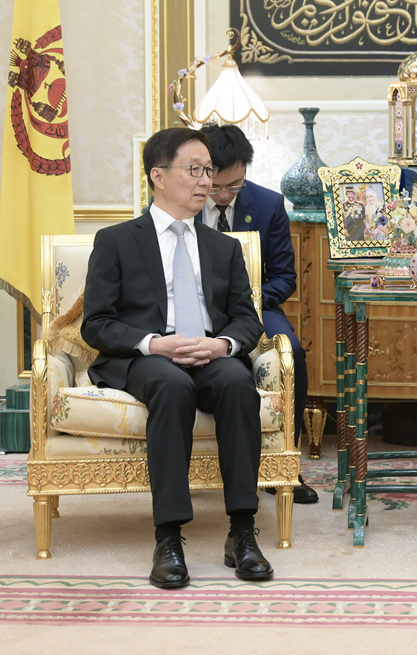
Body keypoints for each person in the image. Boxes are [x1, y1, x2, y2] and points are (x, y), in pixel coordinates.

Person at [81, 127, 273, 590]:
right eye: (194, 169)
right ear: (158, 176)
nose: (206, 180)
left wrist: (222, 345)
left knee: (236, 383)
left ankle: (242, 533)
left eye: (208, 170)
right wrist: (153, 343)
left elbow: (247, 320)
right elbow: (97, 324)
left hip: (210, 351)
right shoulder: (116, 240)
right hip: (149, 355)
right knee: (171, 385)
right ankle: (168, 538)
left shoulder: (224, 247)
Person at [199, 123, 319, 505]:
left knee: (291, 351)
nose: (222, 195)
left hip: (254, 306)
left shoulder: (268, 205)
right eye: (215, 186)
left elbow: (285, 277)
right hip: (194, 307)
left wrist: (247, 300)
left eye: (233, 186)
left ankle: (286, 465)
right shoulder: (180, 202)